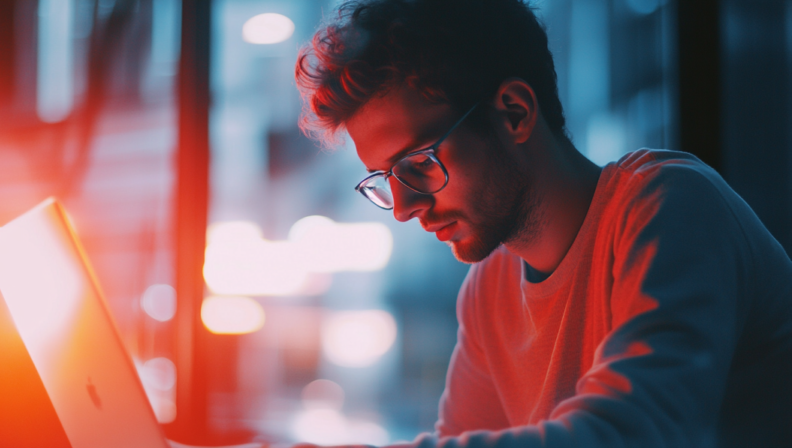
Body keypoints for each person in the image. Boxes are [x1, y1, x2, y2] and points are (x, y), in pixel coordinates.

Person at [295, 0, 792, 446]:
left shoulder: (672, 205)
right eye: (382, 179)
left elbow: (637, 433)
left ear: (514, 113)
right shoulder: (489, 288)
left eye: (420, 163)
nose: (403, 207)